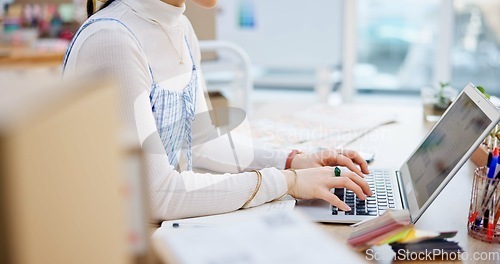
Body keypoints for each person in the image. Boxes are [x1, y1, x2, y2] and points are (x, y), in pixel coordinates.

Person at [63, 0, 372, 221]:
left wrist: (292, 160)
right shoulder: (114, 39)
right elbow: (157, 195)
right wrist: (287, 181)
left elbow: (200, 141)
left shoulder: (181, 26)